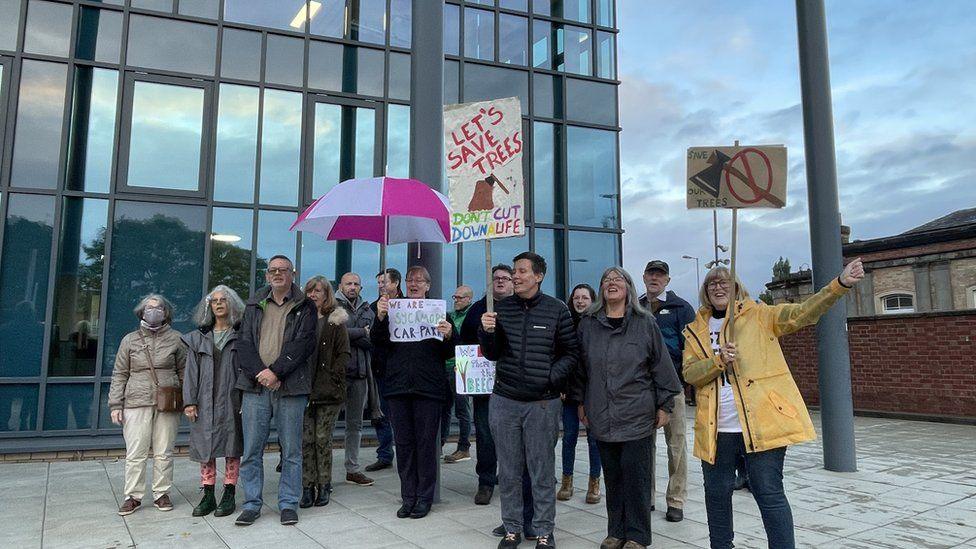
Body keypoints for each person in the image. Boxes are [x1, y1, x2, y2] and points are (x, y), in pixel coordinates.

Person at [683, 260, 865, 549]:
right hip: (716, 427)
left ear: (736, 287)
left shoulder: (760, 315)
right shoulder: (695, 330)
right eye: (712, 284)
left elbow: (804, 313)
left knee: (768, 492)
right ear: (705, 292)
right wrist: (718, 361)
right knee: (715, 494)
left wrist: (839, 284)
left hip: (762, 424)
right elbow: (690, 373)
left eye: (724, 282)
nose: (718, 287)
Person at [574, 268, 682, 549]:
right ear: (601, 290)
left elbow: (662, 366)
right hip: (601, 412)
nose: (611, 283)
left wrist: (665, 404)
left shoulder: (645, 323)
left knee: (636, 478)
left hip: (637, 412)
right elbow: (580, 369)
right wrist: (581, 401)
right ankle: (616, 531)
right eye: (606, 280)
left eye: (617, 279)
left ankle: (637, 536)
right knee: (613, 477)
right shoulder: (588, 325)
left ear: (629, 288)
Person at [480, 252, 579, 549]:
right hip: (505, 400)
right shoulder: (501, 309)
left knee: (541, 471)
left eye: (522, 271)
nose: (516, 276)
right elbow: (493, 353)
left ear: (538, 276)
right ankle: (512, 529)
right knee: (508, 471)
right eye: (514, 271)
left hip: (542, 404)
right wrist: (486, 332)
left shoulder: (557, 310)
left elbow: (571, 353)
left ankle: (544, 531)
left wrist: (549, 378)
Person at [233, 255, 318, 527]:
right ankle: (251, 503)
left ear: (293, 274)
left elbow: (304, 344)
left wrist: (277, 372)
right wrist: (262, 373)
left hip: (290, 387)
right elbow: (243, 343)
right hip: (256, 386)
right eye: (273, 270)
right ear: (267, 275)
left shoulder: (305, 306)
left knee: (292, 450)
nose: (278, 274)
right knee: (251, 450)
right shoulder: (253, 304)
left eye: (283, 270)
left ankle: (288, 503)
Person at [371, 266, 454, 519]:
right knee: (404, 445)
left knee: (426, 445)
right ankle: (408, 496)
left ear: (428, 285)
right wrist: (381, 318)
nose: (414, 284)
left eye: (420, 281)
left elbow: (450, 352)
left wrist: (449, 334)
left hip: (428, 388)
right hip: (398, 387)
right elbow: (377, 341)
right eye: (410, 280)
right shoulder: (393, 308)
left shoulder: (439, 313)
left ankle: (424, 497)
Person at [109, 294, 185, 516]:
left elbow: (184, 372)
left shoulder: (177, 339)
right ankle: (133, 496)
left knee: (164, 451)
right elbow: (120, 373)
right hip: (136, 401)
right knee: (136, 452)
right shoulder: (129, 340)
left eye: (159, 307)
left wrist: (188, 401)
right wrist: (115, 404)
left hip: (168, 402)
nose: (154, 311)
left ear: (166, 312)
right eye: (149, 307)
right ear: (141, 312)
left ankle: (162, 493)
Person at [639, 260, 696, 523]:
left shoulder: (681, 308)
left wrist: (683, 379)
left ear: (668, 280)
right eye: (651, 273)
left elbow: (692, 347)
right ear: (644, 277)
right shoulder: (634, 305)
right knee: (642, 446)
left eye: (660, 274)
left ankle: (676, 500)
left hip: (672, 387)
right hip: (641, 388)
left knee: (676, 445)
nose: (655, 278)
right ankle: (645, 497)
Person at [183, 286, 246, 518]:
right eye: (214, 301)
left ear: (232, 304)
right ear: (209, 306)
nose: (219, 304)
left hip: (232, 399)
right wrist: (189, 401)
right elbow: (190, 373)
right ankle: (208, 494)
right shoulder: (198, 338)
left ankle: (229, 493)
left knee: (232, 446)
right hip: (204, 400)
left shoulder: (240, 336)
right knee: (205, 448)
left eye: (224, 300)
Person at [300, 276, 351, 508]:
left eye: (317, 290)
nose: (313, 294)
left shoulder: (335, 321)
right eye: (309, 290)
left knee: (322, 439)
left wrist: (334, 377)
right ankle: (307, 486)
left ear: (326, 294)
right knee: (306, 440)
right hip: (303, 389)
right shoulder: (300, 319)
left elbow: (344, 354)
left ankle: (324, 484)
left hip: (328, 390)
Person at [557, 284, 603, 505]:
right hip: (569, 393)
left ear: (593, 300)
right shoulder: (565, 324)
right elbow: (560, 358)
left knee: (595, 441)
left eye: (585, 297)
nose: (581, 301)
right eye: (577, 297)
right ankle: (567, 481)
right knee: (569, 438)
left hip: (593, 393)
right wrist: (562, 387)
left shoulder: (599, 324)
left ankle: (594, 482)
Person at [334, 272, 379, 485]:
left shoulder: (367, 308)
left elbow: (375, 341)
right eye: (348, 283)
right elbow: (336, 335)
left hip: (361, 374)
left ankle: (352, 469)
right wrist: (362, 331)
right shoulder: (332, 306)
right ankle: (320, 472)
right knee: (328, 423)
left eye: (356, 284)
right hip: (336, 374)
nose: (352, 287)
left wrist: (355, 335)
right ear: (340, 286)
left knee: (356, 425)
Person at [364, 268, 403, 473]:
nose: (381, 285)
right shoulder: (372, 307)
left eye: (384, 282)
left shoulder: (408, 304)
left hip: (400, 368)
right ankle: (385, 453)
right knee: (380, 413)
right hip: (379, 367)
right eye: (379, 282)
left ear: (396, 283)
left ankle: (404, 451)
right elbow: (371, 338)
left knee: (399, 414)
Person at [442, 284, 474, 463]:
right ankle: (440, 443)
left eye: (460, 297)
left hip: (461, 367)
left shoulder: (470, 317)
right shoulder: (450, 316)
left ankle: (464, 447)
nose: (456, 300)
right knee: (444, 408)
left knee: (462, 409)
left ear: (469, 299)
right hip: (445, 365)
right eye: (454, 297)